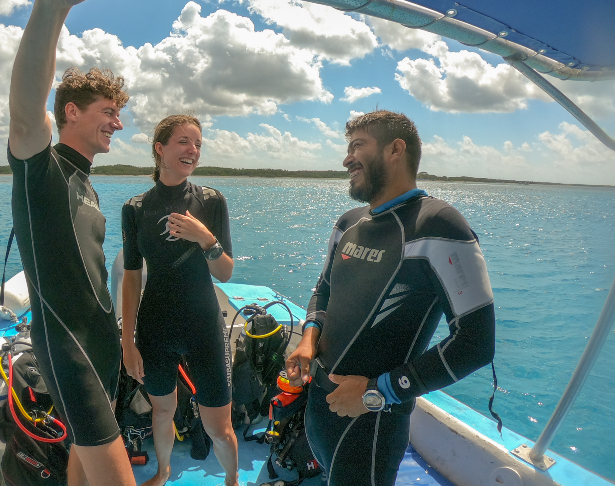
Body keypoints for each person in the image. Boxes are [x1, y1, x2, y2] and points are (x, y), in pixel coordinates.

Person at [285, 110, 496, 485]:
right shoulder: (348, 223)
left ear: (396, 149)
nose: (347, 157)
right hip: (319, 406)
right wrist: (308, 339)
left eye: (357, 146)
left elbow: (475, 343)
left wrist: (375, 392)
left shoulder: (439, 225)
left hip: (372, 426)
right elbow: (325, 290)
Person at [6, 0, 136, 484]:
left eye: (119, 114)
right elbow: (24, 115)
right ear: (71, 112)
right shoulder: (42, 169)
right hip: (69, 350)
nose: (117, 123)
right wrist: (53, 10)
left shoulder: (85, 183)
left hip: (100, 346)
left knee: (81, 464)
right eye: (108, 112)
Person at [120, 115, 239, 486]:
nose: (193, 151)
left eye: (198, 144)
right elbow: (132, 276)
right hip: (156, 326)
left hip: (203, 324)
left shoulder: (211, 201)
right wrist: (128, 343)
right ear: (160, 148)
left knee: (219, 426)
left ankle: (232, 482)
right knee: (162, 411)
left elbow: (225, 272)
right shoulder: (136, 208)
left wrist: (205, 238)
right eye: (184, 142)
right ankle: (164, 471)